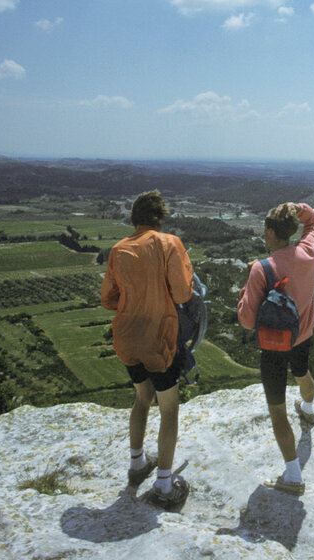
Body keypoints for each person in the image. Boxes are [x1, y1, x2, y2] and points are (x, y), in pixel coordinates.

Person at [100, 189, 194, 510]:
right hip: (159, 340)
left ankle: (137, 463)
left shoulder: (118, 250)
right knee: (169, 409)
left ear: (134, 218)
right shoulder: (169, 244)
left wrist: (134, 300)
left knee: (142, 398)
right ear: (159, 217)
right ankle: (164, 485)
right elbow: (182, 294)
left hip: (128, 338)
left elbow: (108, 299)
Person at [238, 202, 314, 496]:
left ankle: (293, 476)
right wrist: (298, 208)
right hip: (302, 335)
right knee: (302, 372)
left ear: (270, 232)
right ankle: (308, 410)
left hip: (274, 345)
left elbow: (247, 320)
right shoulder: (308, 252)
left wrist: (247, 285)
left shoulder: (262, 268)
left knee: (278, 412)